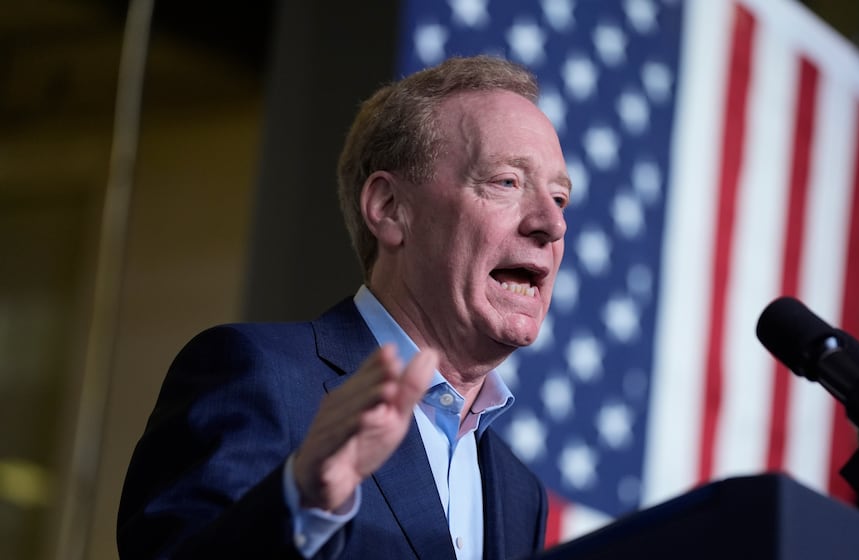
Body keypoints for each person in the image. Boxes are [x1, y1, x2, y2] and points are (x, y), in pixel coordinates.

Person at [117, 54, 572, 560]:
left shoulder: (519, 492)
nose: (550, 225)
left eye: (560, 198)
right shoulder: (256, 375)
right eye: (507, 182)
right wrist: (301, 500)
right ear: (389, 209)